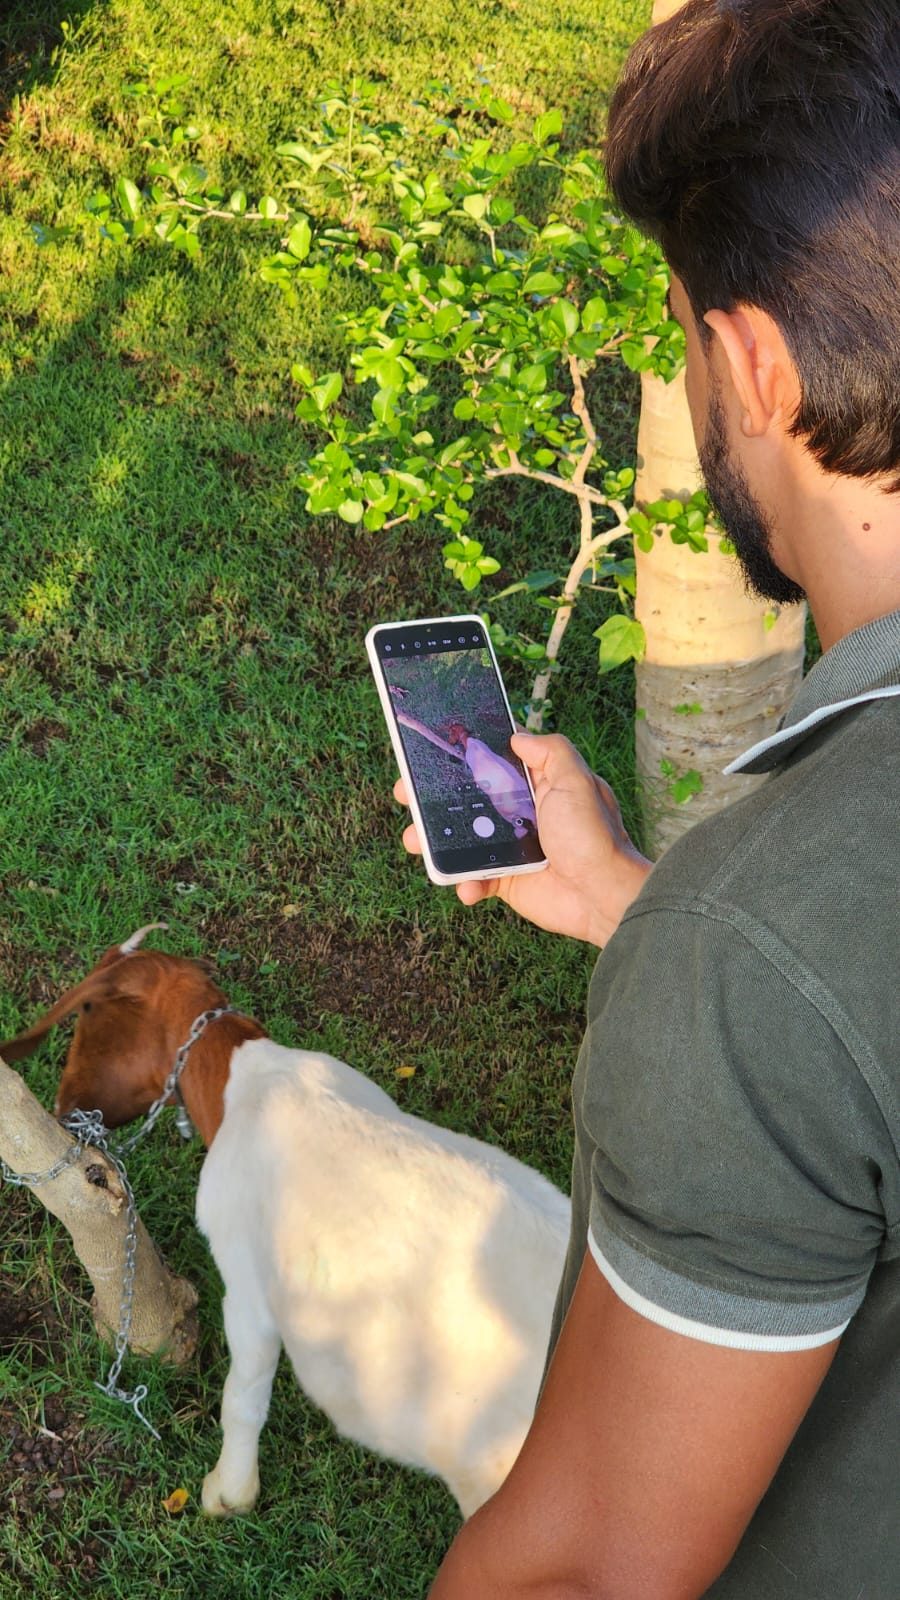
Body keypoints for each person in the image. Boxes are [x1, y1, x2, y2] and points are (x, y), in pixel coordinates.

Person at [394, 2, 900, 1594]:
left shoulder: (759, 947)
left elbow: (586, 1569)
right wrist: (632, 898)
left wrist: (709, 936)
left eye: (682, 332)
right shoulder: (767, 954)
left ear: (752, 364)